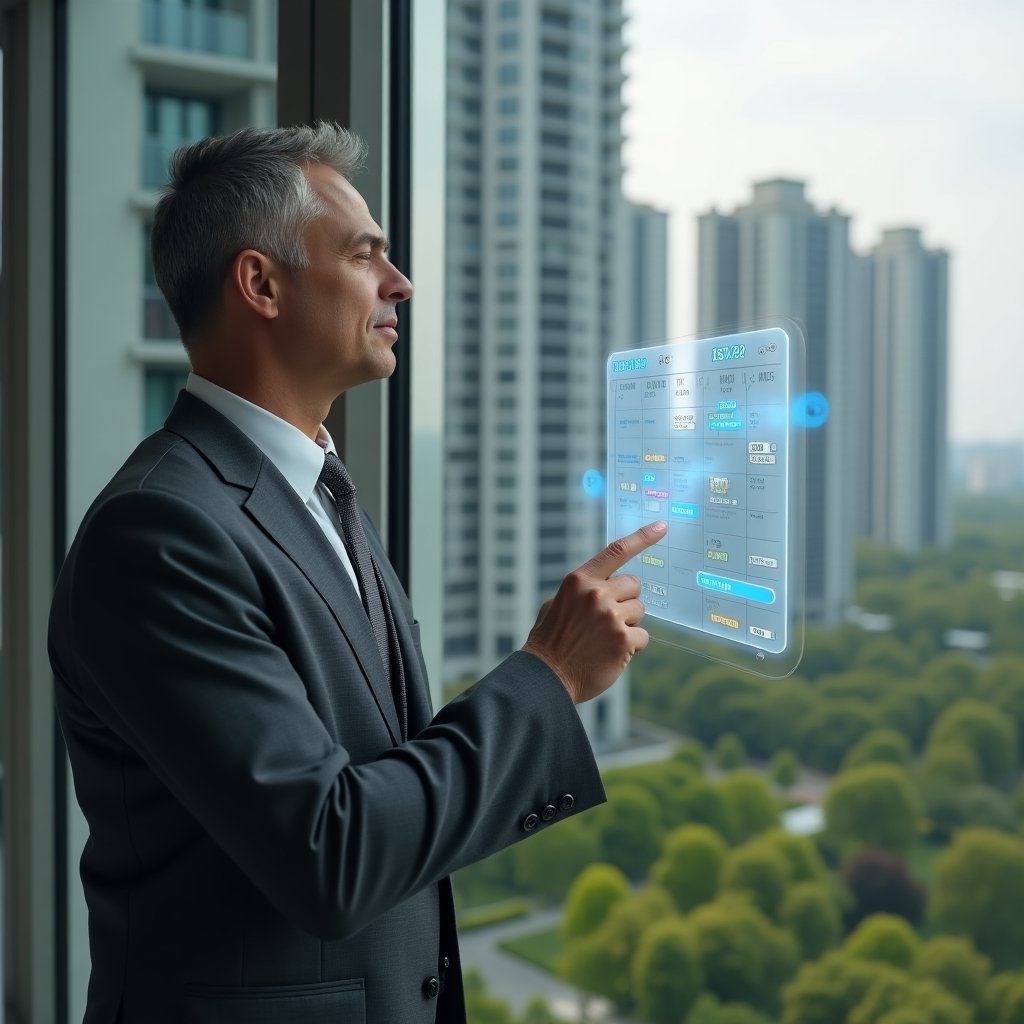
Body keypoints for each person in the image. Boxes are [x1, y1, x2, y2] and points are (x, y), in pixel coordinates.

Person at [48, 122, 665, 1024]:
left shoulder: (314, 489)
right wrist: (551, 676)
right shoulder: (159, 534)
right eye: (364, 253)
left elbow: (386, 773)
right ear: (261, 284)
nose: (399, 281)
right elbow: (329, 853)